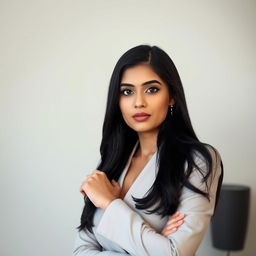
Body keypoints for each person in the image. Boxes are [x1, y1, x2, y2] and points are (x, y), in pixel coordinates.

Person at [73, 45, 223, 256]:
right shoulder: (111, 160)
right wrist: (152, 241)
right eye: (127, 92)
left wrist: (110, 203)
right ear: (118, 101)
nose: (139, 102)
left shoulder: (197, 161)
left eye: (151, 89)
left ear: (171, 96)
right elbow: (80, 250)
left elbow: (174, 254)